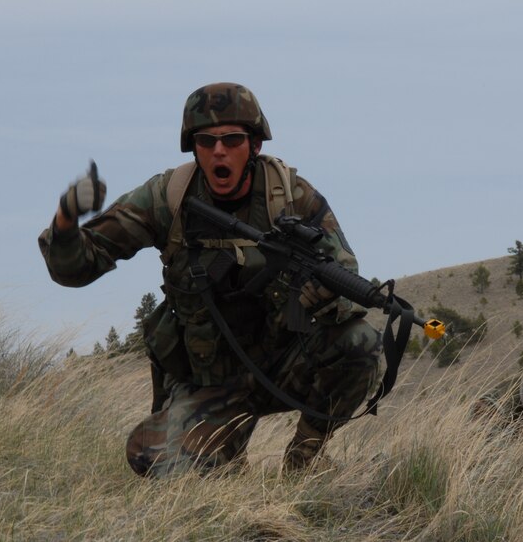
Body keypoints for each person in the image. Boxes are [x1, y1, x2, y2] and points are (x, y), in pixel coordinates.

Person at [38, 82, 383, 476]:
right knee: (156, 463)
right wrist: (66, 220)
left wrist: (324, 296)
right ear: (194, 146)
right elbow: (74, 269)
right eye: (206, 141)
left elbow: (344, 272)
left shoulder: (291, 197)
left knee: (359, 343)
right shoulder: (167, 198)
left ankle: (306, 459)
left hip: (282, 367)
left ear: (254, 145)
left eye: (232, 140)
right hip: (208, 382)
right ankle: (227, 460)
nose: (219, 151)